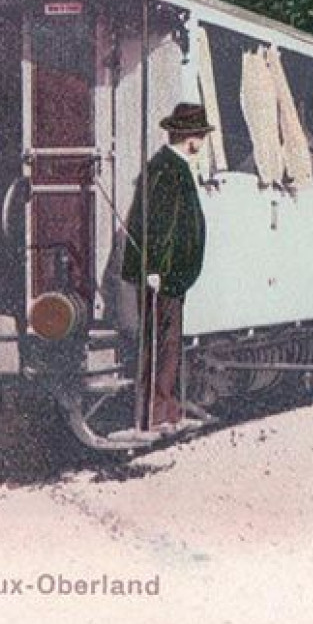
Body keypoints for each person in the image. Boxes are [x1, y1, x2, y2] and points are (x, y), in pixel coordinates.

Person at [122, 103, 217, 430]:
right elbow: (156, 224)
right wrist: (154, 269)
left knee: (166, 343)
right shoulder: (167, 169)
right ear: (190, 137)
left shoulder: (171, 166)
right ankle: (157, 413)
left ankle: (164, 409)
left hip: (171, 276)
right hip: (162, 276)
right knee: (161, 344)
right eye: (201, 136)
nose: (202, 143)